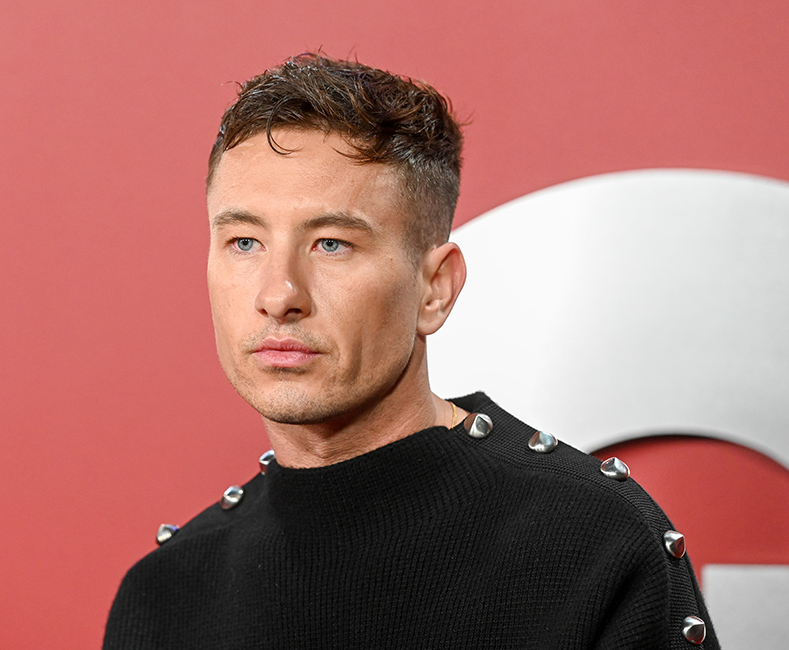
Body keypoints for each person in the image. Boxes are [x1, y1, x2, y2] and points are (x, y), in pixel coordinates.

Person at [103, 54, 719, 649]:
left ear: (435, 288)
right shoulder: (164, 596)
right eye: (243, 242)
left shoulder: (595, 547)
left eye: (332, 245)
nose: (279, 294)